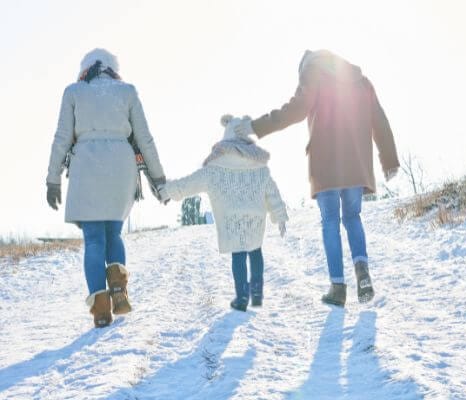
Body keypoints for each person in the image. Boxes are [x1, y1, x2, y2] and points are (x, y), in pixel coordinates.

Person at [234, 49, 400, 306]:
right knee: (353, 217)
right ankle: (362, 270)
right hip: (356, 162)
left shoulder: (313, 74)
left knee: (330, 221)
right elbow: (379, 119)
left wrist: (256, 127)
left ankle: (338, 287)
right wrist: (389, 160)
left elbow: (295, 110)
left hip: (326, 164)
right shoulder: (361, 80)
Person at [46, 48, 166, 327]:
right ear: (113, 69)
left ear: (85, 69)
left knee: (94, 240)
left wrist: (53, 179)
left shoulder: (73, 92)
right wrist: (159, 179)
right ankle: (119, 289)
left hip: (86, 167)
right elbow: (145, 139)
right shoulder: (127, 92)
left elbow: (62, 138)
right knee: (113, 233)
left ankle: (101, 310)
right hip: (120, 169)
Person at [158, 115, 288, 312]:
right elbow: (272, 192)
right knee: (255, 250)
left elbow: (188, 184)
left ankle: (242, 297)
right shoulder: (260, 166)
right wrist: (279, 215)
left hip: (231, 220)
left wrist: (167, 190)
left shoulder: (215, 168)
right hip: (256, 219)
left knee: (238, 255)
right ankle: (258, 294)